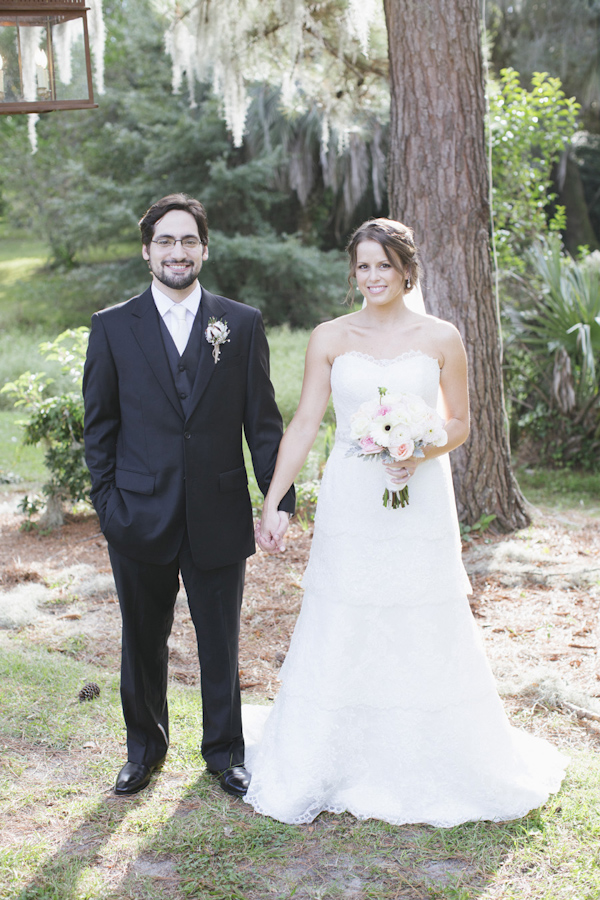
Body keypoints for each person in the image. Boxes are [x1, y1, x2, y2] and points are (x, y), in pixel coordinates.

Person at [246, 217, 566, 826]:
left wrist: (417, 449)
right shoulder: (330, 337)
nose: (373, 277)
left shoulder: (442, 337)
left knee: (420, 606)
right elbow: (307, 423)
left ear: (406, 270)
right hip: (351, 498)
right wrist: (274, 499)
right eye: (363, 266)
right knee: (346, 605)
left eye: (384, 266)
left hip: (417, 497)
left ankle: (427, 754)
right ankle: (330, 751)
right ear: (353, 272)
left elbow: (461, 423)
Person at [82, 193, 294, 797]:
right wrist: (108, 507)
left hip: (217, 512)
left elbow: (264, 423)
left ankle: (225, 753)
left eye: (189, 241)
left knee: (220, 640)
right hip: (137, 515)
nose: (179, 252)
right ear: (148, 251)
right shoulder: (112, 326)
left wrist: (277, 500)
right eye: (166, 242)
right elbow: (100, 427)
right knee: (141, 640)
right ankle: (144, 750)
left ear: (205, 248)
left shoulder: (241, 323)